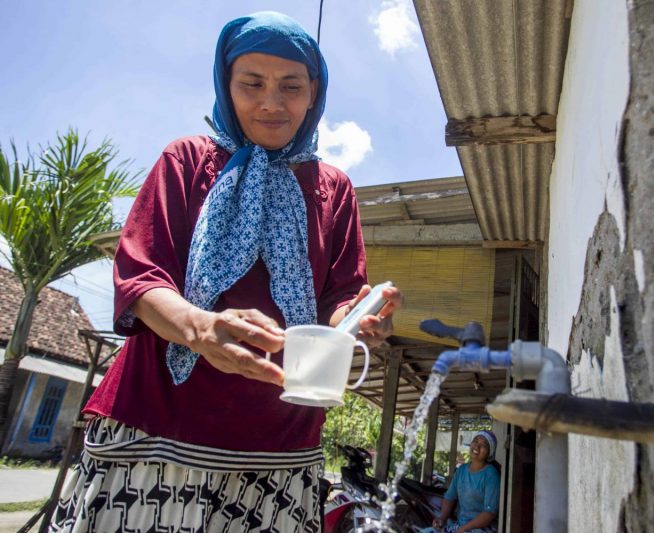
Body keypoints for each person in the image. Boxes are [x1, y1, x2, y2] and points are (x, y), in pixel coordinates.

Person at [50, 11, 402, 533]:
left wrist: (357, 318)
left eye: (292, 86)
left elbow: (342, 296)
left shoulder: (334, 189)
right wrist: (199, 328)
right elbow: (141, 277)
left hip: (279, 442)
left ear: (314, 94)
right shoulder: (187, 161)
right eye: (252, 83)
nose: (271, 103)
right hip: (155, 425)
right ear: (226, 84)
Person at [422, 431, 501, 533]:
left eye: (483, 445)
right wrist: (442, 518)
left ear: (489, 452)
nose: (477, 446)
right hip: (460, 526)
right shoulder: (462, 470)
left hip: (481, 529)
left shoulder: (491, 475)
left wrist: (463, 529)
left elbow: (489, 513)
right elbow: (449, 497)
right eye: (475, 441)